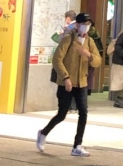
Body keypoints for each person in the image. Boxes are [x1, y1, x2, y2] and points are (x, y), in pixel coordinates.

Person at [37, 12, 102, 157]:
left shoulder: (90, 41)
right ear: (77, 24)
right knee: (62, 114)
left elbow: (98, 61)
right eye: (84, 24)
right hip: (67, 82)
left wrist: (88, 54)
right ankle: (43, 133)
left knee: (83, 113)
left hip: (82, 82)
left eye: (88, 24)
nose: (86, 27)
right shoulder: (68, 39)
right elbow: (57, 60)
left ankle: (77, 145)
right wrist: (66, 77)